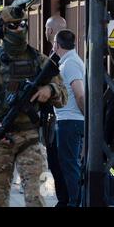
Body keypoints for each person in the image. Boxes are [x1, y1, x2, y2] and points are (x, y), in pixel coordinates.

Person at [0, 6, 67, 207]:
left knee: (38, 198)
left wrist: (50, 90)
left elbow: (63, 95)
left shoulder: (39, 60)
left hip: (32, 138)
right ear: (1, 29)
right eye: (13, 26)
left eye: (22, 24)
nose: (19, 29)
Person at [53, 29, 85, 207]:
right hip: (70, 120)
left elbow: (79, 94)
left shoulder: (71, 63)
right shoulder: (69, 60)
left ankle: (75, 203)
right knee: (69, 163)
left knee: (70, 165)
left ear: (57, 45)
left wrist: (87, 118)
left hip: (70, 121)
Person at [44, 15, 69, 207]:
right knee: (57, 161)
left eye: (46, 28)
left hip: (60, 118)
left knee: (59, 161)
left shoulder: (63, 59)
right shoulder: (59, 56)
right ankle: (64, 199)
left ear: (51, 31)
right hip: (57, 117)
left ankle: (66, 200)